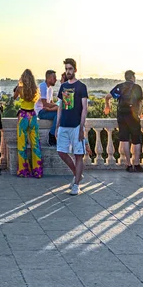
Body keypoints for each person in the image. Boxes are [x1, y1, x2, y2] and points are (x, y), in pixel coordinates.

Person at [56, 58, 89, 196]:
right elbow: (60, 107)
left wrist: (81, 127)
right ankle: (77, 174)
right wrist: (57, 126)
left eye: (70, 69)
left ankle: (76, 184)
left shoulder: (81, 87)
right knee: (61, 152)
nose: (68, 71)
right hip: (64, 125)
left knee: (78, 155)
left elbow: (84, 108)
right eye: (66, 69)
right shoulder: (63, 87)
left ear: (75, 70)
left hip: (76, 126)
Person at [105, 70, 143, 172]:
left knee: (125, 140)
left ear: (126, 77)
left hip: (122, 116)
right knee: (136, 140)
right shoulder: (137, 87)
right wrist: (139, 113)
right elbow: (140, 103)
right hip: (134, 116)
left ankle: (128, 164)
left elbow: (108, 97)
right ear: (133, 77)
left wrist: (107, 106)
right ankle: (136, 164)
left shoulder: (120, 86)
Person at [13, 69, 43, 178]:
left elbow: (14, 97)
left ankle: (23, 170)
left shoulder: (20, 88)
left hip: (23, 116)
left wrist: (18, 86)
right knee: (35, 144)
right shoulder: (35, 89)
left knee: (22, 144)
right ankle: (37, 171)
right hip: (33, 116)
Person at [35, 70, 59, 146]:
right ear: (48, 78)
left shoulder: (50, 89)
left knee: (60, 112)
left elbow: (50, 102)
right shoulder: (43, 86)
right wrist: (58, 107)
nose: (56, 79)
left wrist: (58, 106)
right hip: (41, 112)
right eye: (54, 78)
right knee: (58, 114)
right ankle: (51, 135)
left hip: (46, 110)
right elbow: (45, 103)